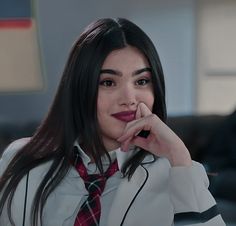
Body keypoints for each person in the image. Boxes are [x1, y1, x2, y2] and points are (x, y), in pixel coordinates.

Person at [0, 18, 225, 226]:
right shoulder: (20, 159)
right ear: (80, 88)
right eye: (108, 82)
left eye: (142, 81)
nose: (129, 99)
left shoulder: (177, 174)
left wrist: (180, 158)